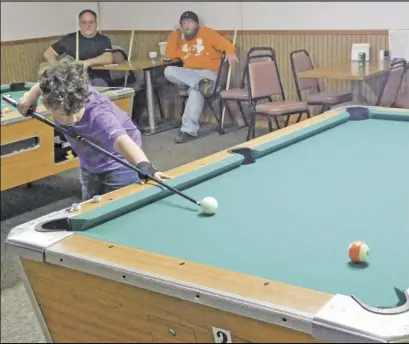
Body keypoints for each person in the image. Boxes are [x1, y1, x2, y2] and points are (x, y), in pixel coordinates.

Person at [17, 57, 169, 201]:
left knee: (119, 209)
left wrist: (146, 167)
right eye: (64, 114)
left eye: (76, 112)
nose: (72, 119)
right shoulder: (56, 93)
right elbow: (46, 83)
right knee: (90, 206)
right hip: (89, 159)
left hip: (120, 160)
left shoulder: (99, 114)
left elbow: (121, 139)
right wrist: (30, 96)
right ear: (48, 105)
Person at [164, 11, 237, 143]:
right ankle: (201, 84)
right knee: (168, 70)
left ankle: (188, 130)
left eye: (190, 22)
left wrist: (231, 52)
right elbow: (170, 55)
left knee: (195, 91)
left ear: (196, 24)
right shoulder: (180, 39)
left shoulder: (207, 33)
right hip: (189, 75)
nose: (187, 26)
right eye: (184, 23)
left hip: (208, 73)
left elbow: (226, 44)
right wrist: (175, 33)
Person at [43, 9, 113, 87]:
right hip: (75, 79)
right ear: (80, 24)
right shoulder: (70, 39)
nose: (88, 25)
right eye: (84, 22)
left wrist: (86, 63)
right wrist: (57, 68)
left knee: (98, 83)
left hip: (100, 78)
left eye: (91, 22)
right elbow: (48, 52)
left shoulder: (103, 39)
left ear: (96, 24)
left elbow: (108, 58)